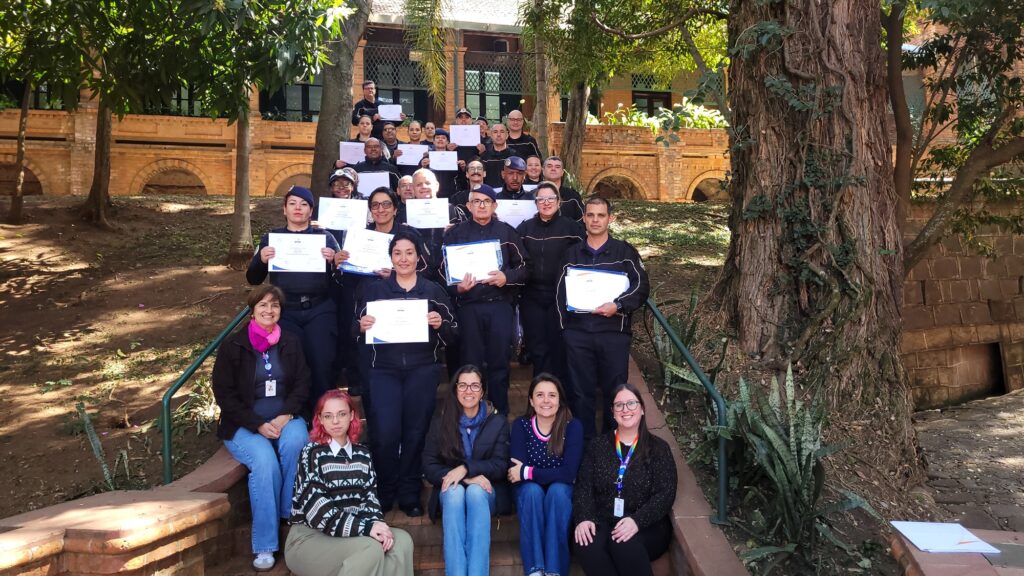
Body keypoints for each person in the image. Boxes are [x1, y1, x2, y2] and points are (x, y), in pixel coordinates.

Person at [357, 231, 457, 516]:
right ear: (391, 257)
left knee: (415, 432)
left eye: (409, 252)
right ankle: (386, 490)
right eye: (398, 253)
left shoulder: (433, 290)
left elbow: (453, 333)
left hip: (422, 369)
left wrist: (440, 325)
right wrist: (360, 326)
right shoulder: (374, 291)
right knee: (386, 433)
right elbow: (354, 331)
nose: (403, 258)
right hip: (383, 371)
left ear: (418, 257)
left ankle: (410, 492)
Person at [212, 285, 310, 571]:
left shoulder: (290, 342)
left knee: (297, 443)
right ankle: (265, 544)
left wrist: (285, 415)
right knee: (265, 463)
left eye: (275, 306)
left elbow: (303, 382)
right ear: (252, 310)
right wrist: (257, 423)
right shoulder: (234, 346)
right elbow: (224, 393)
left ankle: (288, 514)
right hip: (244, 424)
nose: (269, 310)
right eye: (263, 306)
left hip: (285, 417)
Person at [286, 390, 414, 576]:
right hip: (308, 539)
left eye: (342, 414)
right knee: (370, 548)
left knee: (401, 541)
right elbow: (319, 512)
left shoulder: (362, 455)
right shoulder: (311, 453)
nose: (335, 421)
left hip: (349, 536)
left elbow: (369, 500)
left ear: (352, 416)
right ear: (320, 419)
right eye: (328, 416)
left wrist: (378, 524)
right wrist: (367, 528)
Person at [556, 197, 649, 438]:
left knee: (615, 393)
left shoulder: (625, 252)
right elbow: (559, 294)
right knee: (580, 393)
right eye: (591, 215)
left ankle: (612, 445)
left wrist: (618, 304)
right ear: (584, 218)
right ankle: (585, 448)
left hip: (613, 334)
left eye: (601, 215)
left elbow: (641, 287)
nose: (595, 220)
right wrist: (565, 331)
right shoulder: (571, 254)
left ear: (610, 218)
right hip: (578, 335)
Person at [247, 186, 340, 414]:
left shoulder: (325, 237)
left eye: (304, 204)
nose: (298, 208)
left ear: (311, 211)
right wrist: (261, 259)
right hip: (286, 313)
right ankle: (296, 418)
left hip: (319, 309)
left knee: (322, 366)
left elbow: (343, 279)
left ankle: (323, 419)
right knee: (291, 367)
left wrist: (335, 262)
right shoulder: (271, 238)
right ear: (284, 209)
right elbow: (253, 278)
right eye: (293, 203)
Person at [572, 384, 677, 576]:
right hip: (604, 519)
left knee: (623, 542)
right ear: (612, 412)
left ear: (642, 409)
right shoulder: (597, 446)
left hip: (647, 524)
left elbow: (665, 494)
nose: (625, 409)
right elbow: (583, 487)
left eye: (631, 403)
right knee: (586, 542)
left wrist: (637, 520)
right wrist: (584, 517)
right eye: (619, 405)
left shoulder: (659, 448)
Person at [442, 184, 528, 415]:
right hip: (468, 308)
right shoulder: (455, 234)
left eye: (486, 201)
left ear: (494, 205)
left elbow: (524, 268)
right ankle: (471, 414)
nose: (481, 205)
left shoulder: (507, 232)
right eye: (476, 201)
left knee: (499, 363)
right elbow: (443, 274)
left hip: (499, 306)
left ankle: (499, 414)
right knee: (471, 364)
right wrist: (457, 288)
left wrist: (506, 277)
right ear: (468, 206)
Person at [422, 365, 512, 576]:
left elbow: (501, 465)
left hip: (486, 492)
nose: (468, 391)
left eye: (474, 386)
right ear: (455, 390)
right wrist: (466, 478)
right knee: (454, 493)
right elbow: (429, 466)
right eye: (462, 385)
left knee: (475, 493)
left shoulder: (497, 422)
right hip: (450, 491)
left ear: (482, 391)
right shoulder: (441, 421)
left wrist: (465, 469)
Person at [508, 374, 584, 576]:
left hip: (561, 491)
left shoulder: (573, 427)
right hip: (528, 493)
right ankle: (535, 569)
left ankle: (553, 570)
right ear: (531, 401)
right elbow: (517, 472)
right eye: (540, 395)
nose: (546, 400)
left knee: (558, 492)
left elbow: (568, 474)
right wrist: (531, 474)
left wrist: (528, 472)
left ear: (559, 401)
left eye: (552, 395)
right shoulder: (521, 426)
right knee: (532, 492)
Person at [516, 183, 584, 383]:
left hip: (560, 296)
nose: (546, 203)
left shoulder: (572, 228)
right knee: (538, 347)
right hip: (532, 297)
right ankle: (541, 391)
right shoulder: (525, 228)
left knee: (559, 345)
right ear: (536, 203)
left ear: (559, 201)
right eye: (541, 199)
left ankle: (560, 396)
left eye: (550, 199)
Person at [317, 168, 365, 397]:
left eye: (347, 183)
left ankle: (355, 376)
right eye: (337, 183)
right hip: (328, 279)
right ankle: (332, 375)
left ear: (354, 186)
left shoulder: (362, 209)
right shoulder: (321, 211)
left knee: (351, 326)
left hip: (355, 277)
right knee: (331, 328)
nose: (342, 187)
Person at [409, 169, 466, 282]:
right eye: (419, 184)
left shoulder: (453, 211)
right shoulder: (404, 215)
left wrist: (456, 231)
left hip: (448, 272)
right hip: (417, 275)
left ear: (437, 185)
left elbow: (468, 239)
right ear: (412, 189)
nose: (424, 187)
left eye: (428, 183)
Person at [420, 128, 461, 198]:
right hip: (431, 194)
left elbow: (459, 176)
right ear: (433, 141)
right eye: (437, 138)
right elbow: (419, 174)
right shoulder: (427, 156)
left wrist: (461, 167)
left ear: (447, 141)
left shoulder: (453, 157)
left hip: (450, 194)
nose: (440, 140)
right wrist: (422, 166)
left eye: (443, 138)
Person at [543, 156, 584, 222]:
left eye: (557, 167)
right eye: (549, 166)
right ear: (543, 171)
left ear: (562, 172)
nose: (553, 169)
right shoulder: (532, 195)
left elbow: (582, 220)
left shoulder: (573, 197)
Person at [479, 123, 512, 188]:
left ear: (507, 135)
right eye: (495, 132)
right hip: (489, 195)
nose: (499, 135)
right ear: (491, 135)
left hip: (509, 196)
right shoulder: (484, 158)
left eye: (502, 132)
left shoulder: (514, 156)